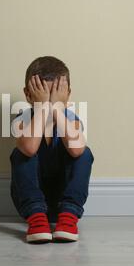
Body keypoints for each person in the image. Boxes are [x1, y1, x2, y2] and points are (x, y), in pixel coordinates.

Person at [10, 56, 94, 243]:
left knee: (84, 151)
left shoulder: (70, 119)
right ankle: (37, 219)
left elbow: (77, 151)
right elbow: (30, 149)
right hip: (31, 203)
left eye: (53, 98)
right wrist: (41, 109)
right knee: (21, 153)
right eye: (43, 97)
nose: (48, 103)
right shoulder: (22, 120)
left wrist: (57, 109)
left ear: (67, 95)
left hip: (62, 202)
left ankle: (69, 217)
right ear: (28, 94)